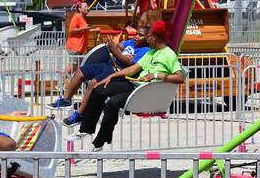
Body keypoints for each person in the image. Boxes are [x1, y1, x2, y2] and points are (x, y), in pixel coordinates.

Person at [75, 20, 185, 149]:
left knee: (113, 103)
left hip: (146, 92)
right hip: (135, 85)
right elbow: (134, 69)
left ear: (155, 37)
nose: (147, 40)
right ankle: (86, 129)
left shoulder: (168, 54)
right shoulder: (151, 52)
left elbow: (180, 77)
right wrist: (111, 76)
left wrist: (156, 75)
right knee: (99, 89)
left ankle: (100, 141)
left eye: (148, 37)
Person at [51, 23, 147, 116]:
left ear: (147, 38)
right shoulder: (131, 42)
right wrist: (120, 54)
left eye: (140, 35)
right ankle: (66, 100)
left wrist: (117, 52)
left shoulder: (145, 50)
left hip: (118, 71)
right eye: (136, 34)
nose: (136, 36)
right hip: (109, 64)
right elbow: (117, 46)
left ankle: (81, 113)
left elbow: (128, 62)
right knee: (80, 71)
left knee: (93, 83)